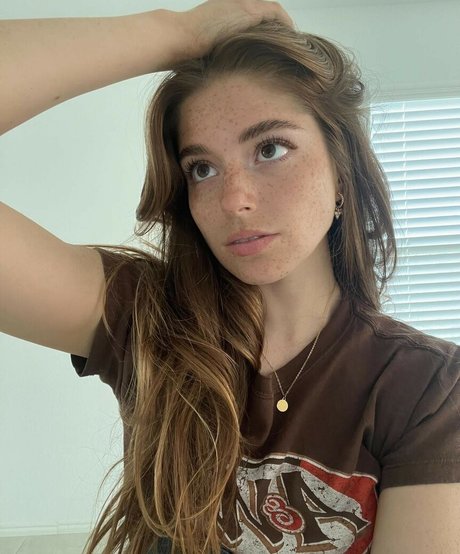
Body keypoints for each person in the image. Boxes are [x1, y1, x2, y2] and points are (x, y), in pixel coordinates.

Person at [1, 1, 459, 553]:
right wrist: (175, 32)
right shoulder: (147, 319)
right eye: (203, 168)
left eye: (271, 148)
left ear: (342, 171)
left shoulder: (426, 387)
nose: (234, 200)